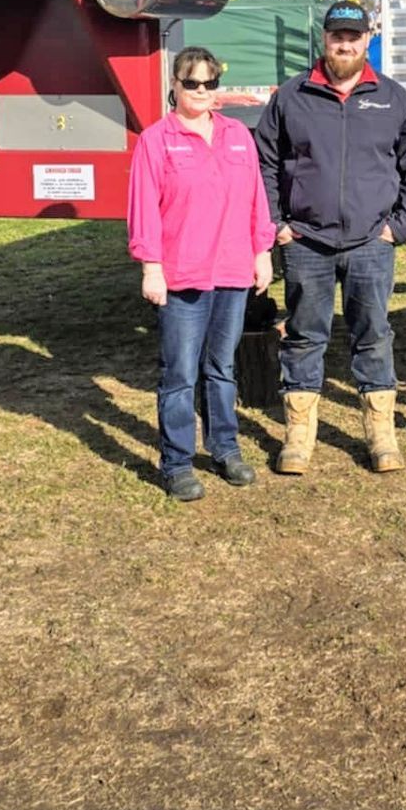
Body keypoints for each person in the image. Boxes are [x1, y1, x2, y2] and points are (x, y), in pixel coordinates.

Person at [256, 1, 406, 475]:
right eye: (338, 36)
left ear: (367, 40)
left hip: (370, 243)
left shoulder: (392, 99)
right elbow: (265, 165)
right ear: (325, 38)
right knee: (304, 335)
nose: (346, 44)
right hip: (306, 241)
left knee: (373, 336)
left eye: (354, 36)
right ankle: (298, 438)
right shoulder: (291, 97)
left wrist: (399, 225)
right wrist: (278, 225)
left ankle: (381, 436)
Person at [127, 46, 276, 502]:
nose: (201, 92)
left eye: (209, 84)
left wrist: (262, 252)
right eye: (192, 83)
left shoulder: (237, 136)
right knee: (180, 373)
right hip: (182, 275)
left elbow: (256, 197)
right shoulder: (156, 140)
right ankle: (176, 462)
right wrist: (152, 266)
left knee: (222, 368)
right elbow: (143, 209)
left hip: (232, 271)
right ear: (175, 84)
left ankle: (225, 448)